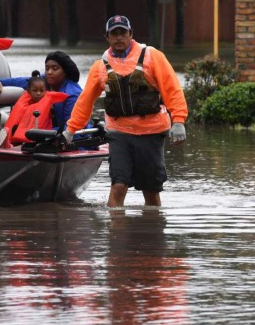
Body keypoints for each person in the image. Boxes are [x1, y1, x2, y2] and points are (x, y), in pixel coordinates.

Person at [63, 15, 188, 207]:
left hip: (151, 131)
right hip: (119, 133)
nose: (119, 37)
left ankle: (152, 230)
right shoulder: (100, 66)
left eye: (123, 33)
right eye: (114, 34)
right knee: (118, 186)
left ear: (131, 34)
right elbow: (85, 100)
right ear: (107, 37)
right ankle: (116, 234)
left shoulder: (152, 56)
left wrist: (178, 121)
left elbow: (172, 89)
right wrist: (71, 130)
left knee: (151, 190)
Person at [0, 51, 88, 133]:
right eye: (47, 68)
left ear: (65, 71)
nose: (49, 72)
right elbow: (18, 81)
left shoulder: (73, 94)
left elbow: (71, 129)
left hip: (73, 140)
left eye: (55, 69)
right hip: (45, 133)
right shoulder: (43, 81)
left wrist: (37, 133)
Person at [0, 71, 68, 147]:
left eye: (41, 91)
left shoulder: (49, 103)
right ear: (28, 91)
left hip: (41, 137)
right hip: (19, 137)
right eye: (35, 91)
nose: (38, 93)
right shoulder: (24, 102)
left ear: (46, 91)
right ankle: (9, 142)